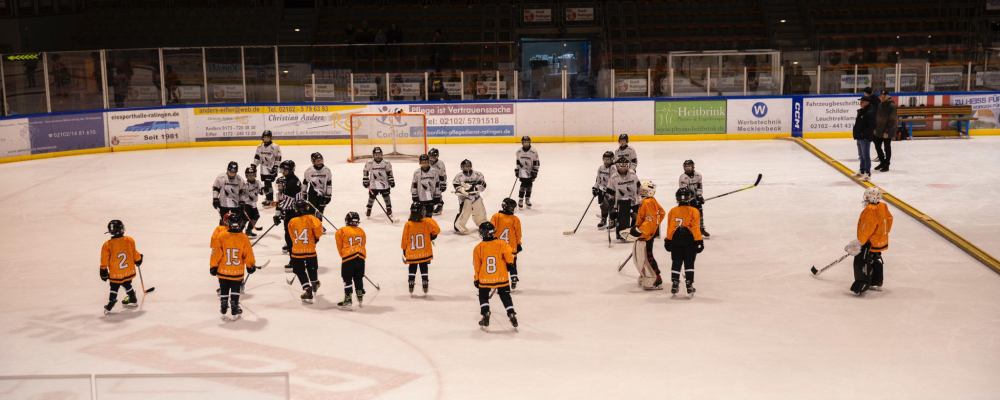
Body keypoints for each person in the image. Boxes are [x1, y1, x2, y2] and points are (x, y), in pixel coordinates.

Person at [846, 187, 893, 295]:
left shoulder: (870, 210)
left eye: (867, 197)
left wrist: (859, 243)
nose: (865, 199)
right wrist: (882, 234)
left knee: (864, 260)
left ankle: (862, 283)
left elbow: (866, 228)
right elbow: (889, 220)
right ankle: (877, 281)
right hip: (881, 240)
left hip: (870, 242)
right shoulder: (883, 206)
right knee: (875, 259)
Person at [210, 214, 257, 320]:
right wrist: (250, 265)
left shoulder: (221, 235)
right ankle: (234, 305)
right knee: (236, 288)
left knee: (224, 288)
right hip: (237, 271)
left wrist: (213, 266)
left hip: (223, 270)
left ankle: (223, 304)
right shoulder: (243, 237)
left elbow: (216, 253)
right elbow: (248, 254)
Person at [473, 221, 518, 331]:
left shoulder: (478, 248)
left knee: (483, 295)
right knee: (505, 295)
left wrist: (477, 280)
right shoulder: (502, 244)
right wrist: (510, 265)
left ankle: (485, 314)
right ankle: (511, 313)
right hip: (501, 277)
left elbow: (477, 266)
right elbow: (509, 257)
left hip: (485, 278)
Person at [621, 182, 665, 290]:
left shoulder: (648, 202)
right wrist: (637, 227)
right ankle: (645, 274)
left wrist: (640, 231)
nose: (641, 192)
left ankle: (655, 278)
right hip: (645, 234)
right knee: (639, 257)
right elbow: (659, 214)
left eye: (644, 191)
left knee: (645, 257)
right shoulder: (647, 201)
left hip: (646, 235)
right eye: (642, 190)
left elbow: (650, 220)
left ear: (650, 191)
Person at [664, 188, 703, 296]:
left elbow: (670, 227)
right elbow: (695, 228)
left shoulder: (672, 211)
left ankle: (675, 282)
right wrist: (699, 241)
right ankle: (689, 283)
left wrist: (668, 240)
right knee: (689, 262)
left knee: (676, 261)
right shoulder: (694, 211)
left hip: (676, 239)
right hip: (689, 239)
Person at [100, 220, 144, 315]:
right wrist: (139, 259)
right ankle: (132, 297)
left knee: (114, 286)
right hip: (128, 271)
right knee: (126, 283)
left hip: (116, 272)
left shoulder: (107, 245)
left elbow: (104, 259)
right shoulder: (129, 240)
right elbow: (134, 253)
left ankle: (112, 300)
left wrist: (103, 270)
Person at [288, 200, 323, 303]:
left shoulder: (292, 221)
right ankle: (315, 282)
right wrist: (316, 238)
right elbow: (318, 230)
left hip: (297, 251)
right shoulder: (312, 219)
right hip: (310, 250)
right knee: (312, 268)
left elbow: (292, 237)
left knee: (299, 271)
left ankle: (307, 289)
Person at [402, 202, 440, 295]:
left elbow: (404, 239)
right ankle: (425, 281)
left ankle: (411, 281)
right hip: (424, 252)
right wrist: (432, 235)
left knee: (412, 266)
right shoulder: (427, 222)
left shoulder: (408, 224)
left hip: (412, 252)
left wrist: (404, 250)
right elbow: (437, 230)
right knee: (423, 266)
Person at [335, 211, 366, 308]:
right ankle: (360, 294)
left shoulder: (341, 231)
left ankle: (348, 299)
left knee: (347, 278)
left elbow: (339, 246)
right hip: (361, 257)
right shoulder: (361, 231)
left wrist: (344, 255)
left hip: (348, 258)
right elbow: (363, 244)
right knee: (358, 277)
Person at [490, 198, 523, 289]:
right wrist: (518, 243)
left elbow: (491, 230)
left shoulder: (496, 216)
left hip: (498, 246)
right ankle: (514, 276)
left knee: (499, 264)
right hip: (511, 247)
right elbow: (518, 234)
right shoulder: (515, 219)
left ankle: (498, 281)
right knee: (512, 263)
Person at [605, 157, 640, 242]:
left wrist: (640, 197)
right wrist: (611, 202)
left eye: (625, 165)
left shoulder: (633, 175)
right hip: (620, 202)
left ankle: (633, 231)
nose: (623, 167)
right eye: (621, 165)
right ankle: (620, 233)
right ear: (617, 166)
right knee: (620, 217)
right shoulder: (613, 177)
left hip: (633, 201)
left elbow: (638, 187)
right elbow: (610, 191)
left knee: (637, 216)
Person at [453, 159, 488, 234]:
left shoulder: (478, 174)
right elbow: (456, 186)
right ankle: (458, 226)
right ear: (462, 167)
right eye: (465, 167)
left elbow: (483, 184)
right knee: (464, 212)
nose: (467, 168)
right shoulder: (459, 176)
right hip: (465, 199)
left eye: (468, 166)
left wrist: (475, 188)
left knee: (480, 212)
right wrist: (463, 190)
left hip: (476, 197)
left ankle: (482, 223)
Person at [275, 160, 302, 255]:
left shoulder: (291, 183)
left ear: (290, 170)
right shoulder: (293, 179)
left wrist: (278, 213)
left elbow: (287, 203)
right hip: (297, 211)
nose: (282, 172)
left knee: (289, 235)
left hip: (292, 213)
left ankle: (294, 258)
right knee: (292, 234)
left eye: (284, 170)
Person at [679, 160, 709, 238]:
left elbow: (699, 187)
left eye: (689, 166)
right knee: (689, 215)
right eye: (686, 166)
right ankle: (689, 230)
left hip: (695, 199)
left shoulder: (698, 176)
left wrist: (699, 196)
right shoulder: (683, 177)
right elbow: (684, 190)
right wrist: (691, 199)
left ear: (693, 167)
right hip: (685, 199)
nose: (687, 168)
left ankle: (701, 228)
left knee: (700, 212)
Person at [363, 147, 395, 218]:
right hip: (373, 184)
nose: (377, 156)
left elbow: (389, 171)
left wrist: (391, 180)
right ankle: (369, 209)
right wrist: (365, 179)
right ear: (373, 155)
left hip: (384, 183)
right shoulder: (369, 162)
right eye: (376, 154)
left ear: (382, 154)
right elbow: (365, 170)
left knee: (386, 196)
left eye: (379, 154)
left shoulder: (386, 162)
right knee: (371, 197)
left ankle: (389, 208)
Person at [302, 152, 332, 224]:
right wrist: (304, 192)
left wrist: (329, 195)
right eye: (317, 161)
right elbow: (305, 182)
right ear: (313, 162)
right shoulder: (309, 170)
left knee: (320, 210)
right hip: (312, 193)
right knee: (311, 210)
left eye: (320, 160)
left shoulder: (327, 170)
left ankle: (318, 225)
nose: (319, 162)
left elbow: (329, 184)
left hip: (323, 194)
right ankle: (311, 225)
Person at [253, 130, 282, 207]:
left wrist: (276, 166)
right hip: (263, 169)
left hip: (271, 169)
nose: (266, 139)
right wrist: (254, 165)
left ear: (270, 137)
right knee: (266, 184)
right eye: (265, 137)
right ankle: (268, 198)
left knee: (268, 184)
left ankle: (270, 199)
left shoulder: (275, 146)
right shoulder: (260, 147)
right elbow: (257, 157)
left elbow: (278, 157)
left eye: (267, 137)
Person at [852, 96, 876, 182]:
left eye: (862, 102)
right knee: (861, 156)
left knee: (866, 156)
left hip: (865, 138)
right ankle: (862, 171)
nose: (860, 103)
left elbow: (872, 126)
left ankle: (867, 173)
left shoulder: (870, 112)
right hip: (860, 137)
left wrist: (863, 133)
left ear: (867, 102)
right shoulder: (862, 111)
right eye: (860, 101)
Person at [874, 90, 897, 172]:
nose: (883, 97)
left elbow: (892, 120)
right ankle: (882, 162)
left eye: (885, 96)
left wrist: (887, 131)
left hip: (887, 131)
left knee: (887, 148)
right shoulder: (880, 104)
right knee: (877, 146)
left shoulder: (891, 106)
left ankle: (886, 164)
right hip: (879, 130)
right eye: (882, 95)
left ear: (888, 96)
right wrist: (875, 128)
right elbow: (877, 117)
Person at [515, 136, 540, 209]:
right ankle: (520, 199)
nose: (526, 143)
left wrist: (535, 170)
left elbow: (536, 161)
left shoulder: (533, 151)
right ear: (522, 143)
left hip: (531, 171)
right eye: (524, 142)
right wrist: (517, 169)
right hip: (522, 171)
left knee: (529, 185)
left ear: (529, 142)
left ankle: (527, 199)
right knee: (523, 184)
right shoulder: (519, 152)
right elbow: (518, 161)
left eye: (527, 142)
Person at [592, 151, 616, 229]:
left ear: (612, 159)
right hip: (602, 190)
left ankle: (613, 220)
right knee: (603, 206)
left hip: (611, 191)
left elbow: (615, 181)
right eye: (605, 159)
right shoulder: (601, 168)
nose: (606, 161)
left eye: (608, 159)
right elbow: (598, 179)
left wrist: (611, 190)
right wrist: (595, 187)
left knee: (612, 206)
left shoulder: (614, 168)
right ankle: (604, 219)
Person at [242, 165, 262, 239]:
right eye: (249, 175)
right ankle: (239, 231)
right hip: (246, 204)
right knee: (245, 218)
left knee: (256, 216)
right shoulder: (245, 185)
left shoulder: (257, 182)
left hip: (254, 204)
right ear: (246, 176)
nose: (251, 176)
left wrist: (264, 190)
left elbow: (261, 190)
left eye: (252, 175)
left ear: (255, 175)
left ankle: (249, 230)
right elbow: (242, 194)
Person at [428, 148, 447, 215]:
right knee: (427, 193)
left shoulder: (440, 164)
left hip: (437, 182)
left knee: (437, 194)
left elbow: (443, 175)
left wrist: (443, 184)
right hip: (428, 180)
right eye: (430, 157)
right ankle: (430, 205)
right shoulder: (427, 162)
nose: (431, 159)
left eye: (433, 157)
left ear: (436, 157)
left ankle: (440, 204)